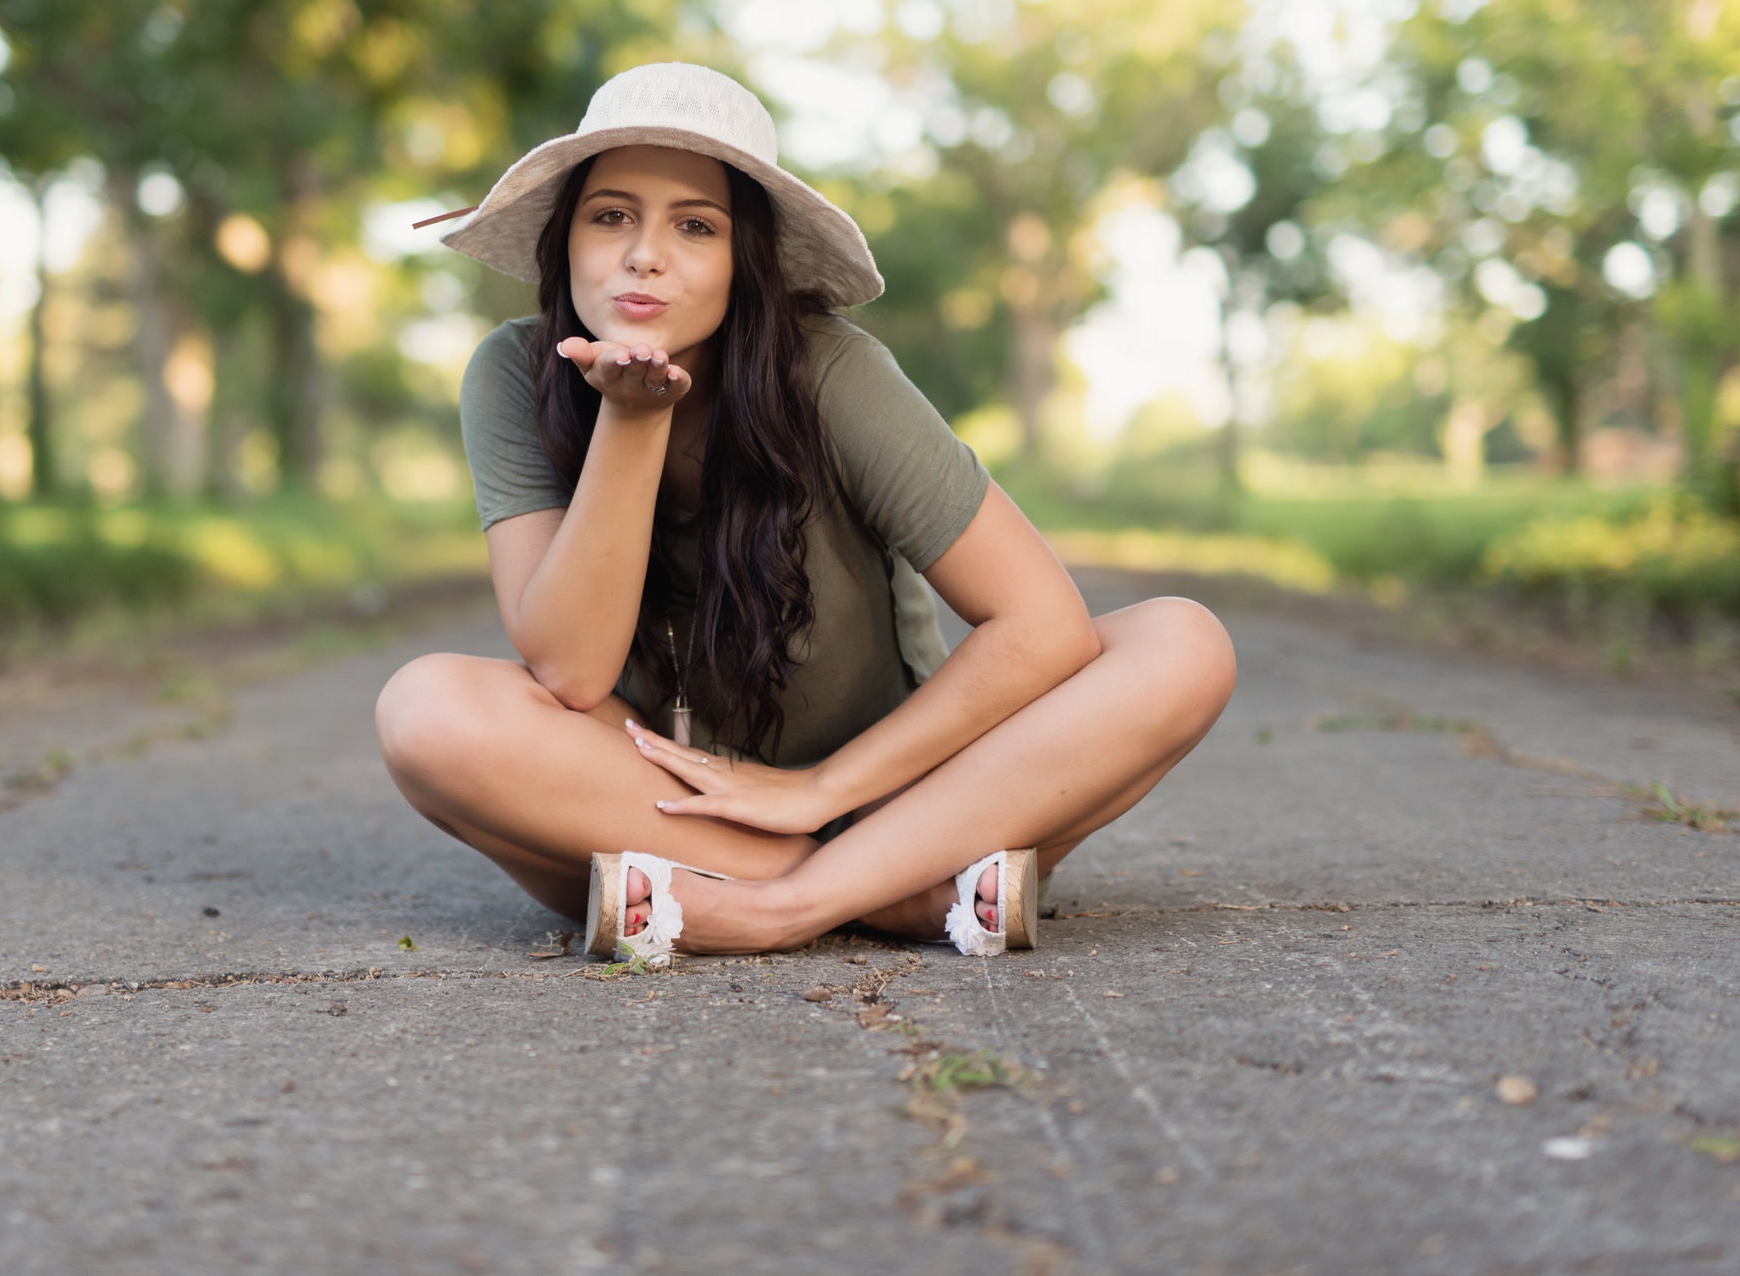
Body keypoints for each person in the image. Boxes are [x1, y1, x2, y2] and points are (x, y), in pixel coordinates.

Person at [376, 63, 1235, 963]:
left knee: (1182, 642)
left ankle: (778, 907)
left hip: (905, 796)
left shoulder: (830, 370)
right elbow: (570, 671)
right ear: (566, 241)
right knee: (425, 710)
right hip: (675, 806)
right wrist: (633, 418)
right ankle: (901, 898)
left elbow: (1042, 625)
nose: (644, 253)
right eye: (611, 215)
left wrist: (821, 792)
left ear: (746, 263)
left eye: (696, 225)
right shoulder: (514, 373)